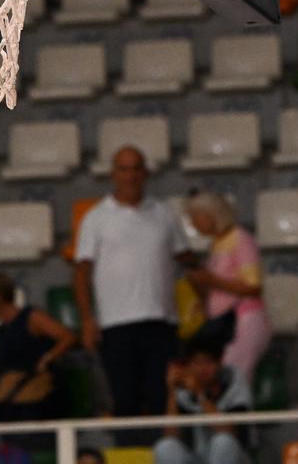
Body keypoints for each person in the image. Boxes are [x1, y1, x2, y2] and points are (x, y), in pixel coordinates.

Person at [74, 146, 196, 420]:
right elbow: (82, 271)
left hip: (160, 321)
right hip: (116, 325)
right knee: (124, 398)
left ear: (146, 173)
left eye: (136, 168)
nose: (130, 176)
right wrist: (87, 319)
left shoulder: (164, 213)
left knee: (161, 396)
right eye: (124, 169)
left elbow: (186, 257)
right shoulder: (96, 218)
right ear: (113, 174)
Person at [184, 191, 271, 383]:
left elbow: (253, 286)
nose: (193, 224)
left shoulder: (240, 238)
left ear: (211, 214)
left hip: (243, 321)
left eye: (195, 217)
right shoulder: (217, 244)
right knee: (224, 381)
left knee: (234, 380)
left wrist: (211, 280)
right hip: (224, 323)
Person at [0, 273, 76, 423]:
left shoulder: (32, 318)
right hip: (9, 406)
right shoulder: (2, 329)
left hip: (36, 403)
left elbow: (68, 337)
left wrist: (47, 359)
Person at [153, 333, 252, 464]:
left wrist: (200, 394)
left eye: (208, 362)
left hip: (234, 457)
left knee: (223, 441)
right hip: (197, 457)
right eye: (196, 362)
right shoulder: (183, 389)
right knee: (165, 447)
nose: (202, 369)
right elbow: (171, 435)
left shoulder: (234, 380)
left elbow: (230, 432)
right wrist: (172, 390)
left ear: (220, 363)